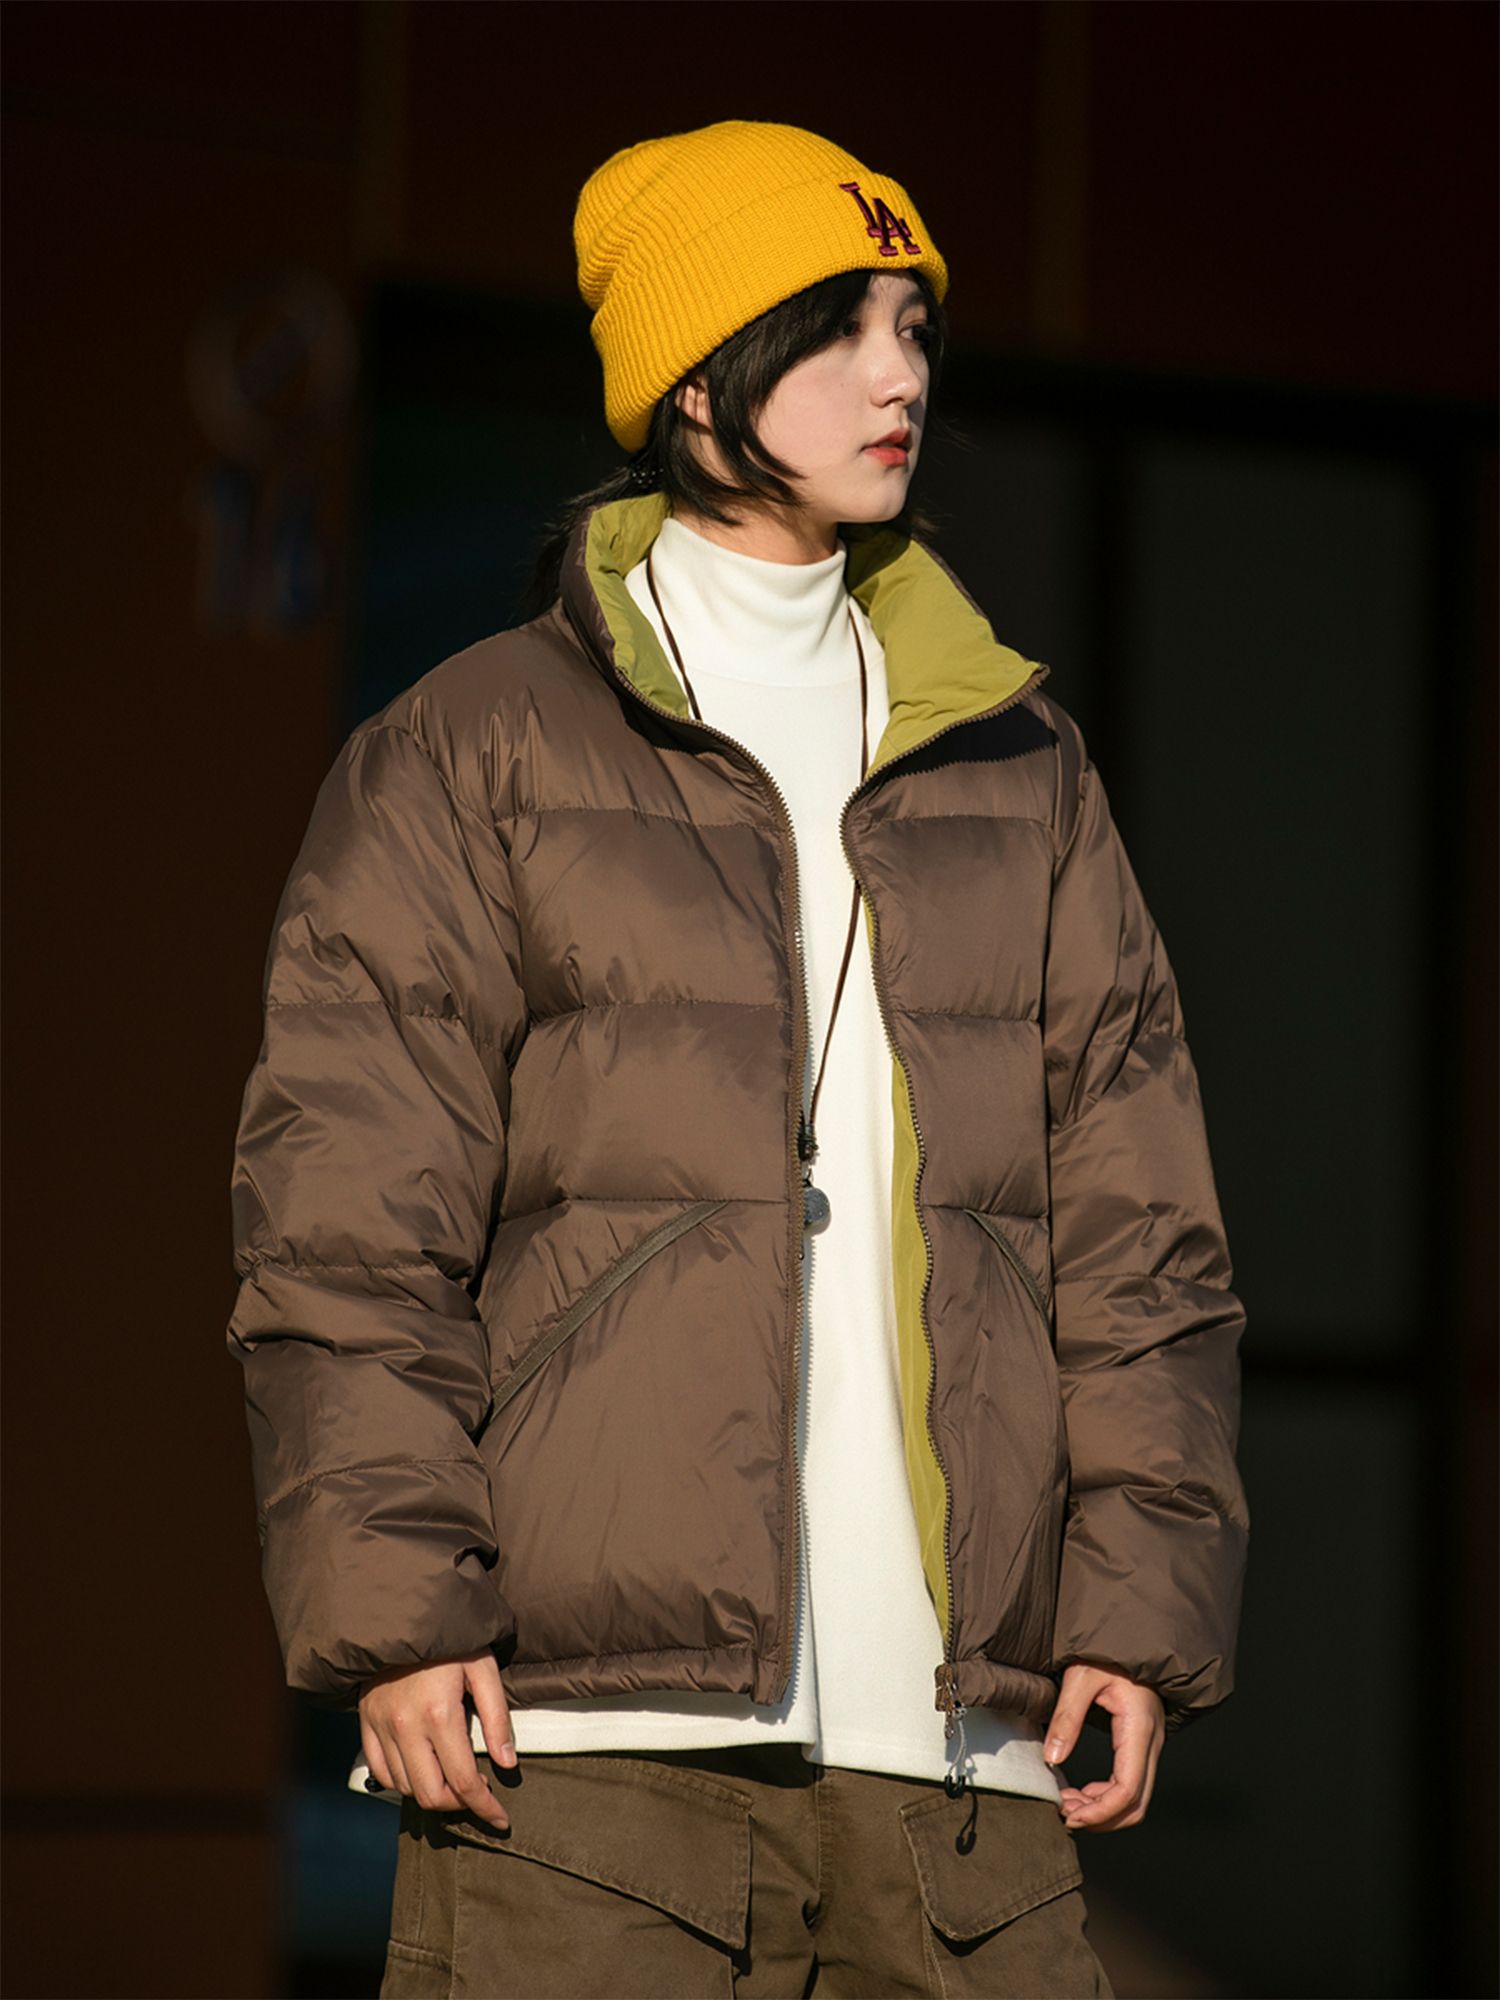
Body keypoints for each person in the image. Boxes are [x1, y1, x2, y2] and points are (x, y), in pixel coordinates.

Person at [226, 119, 1248, 2000]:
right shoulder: (470, 749)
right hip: (582, 1768)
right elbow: (346, 1231)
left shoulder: (1021, 764)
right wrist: (399, 1614)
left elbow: (1143, 1244)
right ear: (696, 382)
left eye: (914, 327)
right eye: (837, 327)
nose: (899, 374)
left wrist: (1138, 1603)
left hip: (965, 1771)